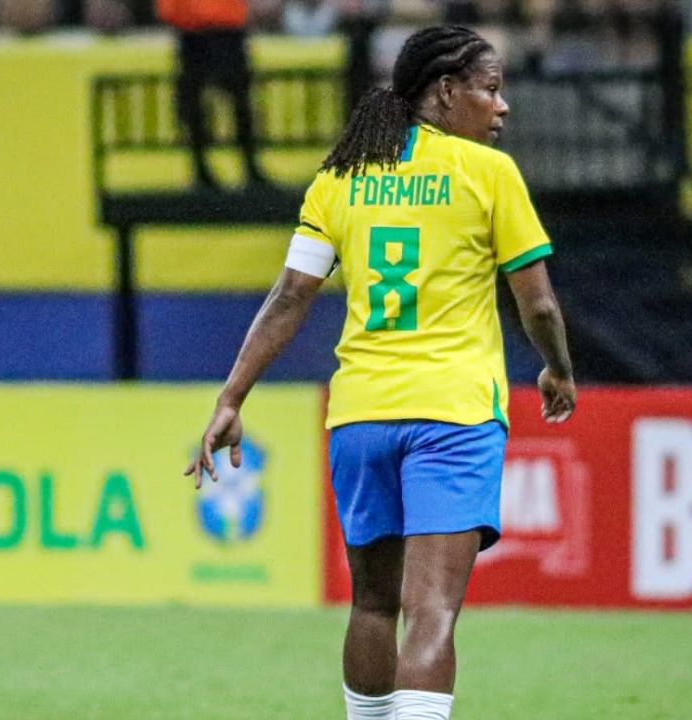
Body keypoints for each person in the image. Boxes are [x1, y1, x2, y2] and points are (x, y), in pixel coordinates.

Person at [184, 25, 577, 720]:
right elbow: (538, 304)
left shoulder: (340, 179)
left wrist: (232, 395)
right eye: (491, 90)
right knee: (431, 613)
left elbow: (288, 297)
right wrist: (558, 371)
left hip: (359, 416)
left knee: (371, 604)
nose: (502, 107)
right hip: (452, 414)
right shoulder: (489, 175)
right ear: (447, 93)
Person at [157, 0, 270, 189]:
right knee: (200, 103)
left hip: (217, 25)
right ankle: (210, 168)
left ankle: (243, 167)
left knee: (235, 101)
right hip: (197, 26)